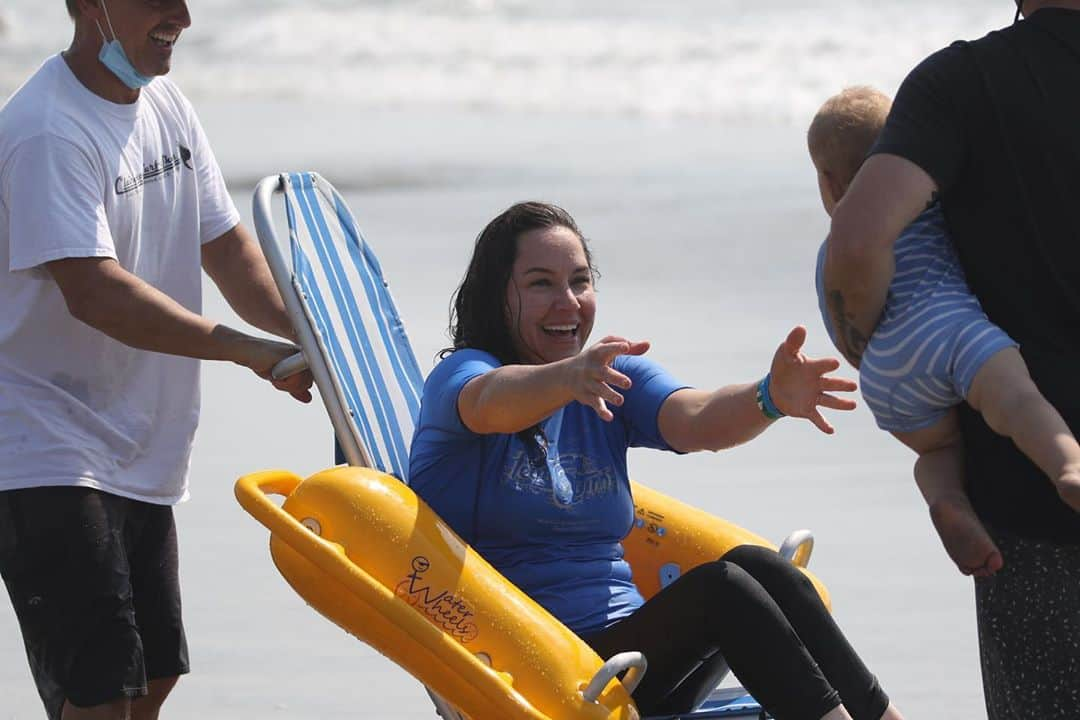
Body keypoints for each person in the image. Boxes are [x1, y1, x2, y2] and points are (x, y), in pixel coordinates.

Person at [409, 202, 904, 720]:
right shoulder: (465, 376)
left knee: (758, 566)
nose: (568, 303)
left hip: (631, 665)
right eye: (540, 284)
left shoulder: (606, 374)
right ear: (497, 295)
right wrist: (568, 378)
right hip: (538, 669)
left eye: (579, 281)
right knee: (723, 591)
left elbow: (695, 418)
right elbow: (490, 403)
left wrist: (769, 397)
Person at [0, 1, 313, 719]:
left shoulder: (165, 103)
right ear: (86, 5)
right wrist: (250, 353)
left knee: (153, 681)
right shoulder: (47, 130)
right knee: (101, 697)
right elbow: (96, 293)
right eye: (156, 1)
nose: (182, 17)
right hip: (45, 448)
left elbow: (230, 248)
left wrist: (320, 342)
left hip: (142, 446)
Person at [822, 3, 1080, 718]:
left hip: (1027, 509)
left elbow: (855, 242)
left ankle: (952, 493)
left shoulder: (961, 84)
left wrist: (869, 343)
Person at [807, 86, 1080, 578]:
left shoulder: (833, 253)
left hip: (886, 374)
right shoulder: (927, 201)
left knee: (939, 451)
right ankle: (1067, 465)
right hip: (950, 328)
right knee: (1017, 401)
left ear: (828, 185)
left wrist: (885, 360)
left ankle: (948, 500)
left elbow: (843, 328)